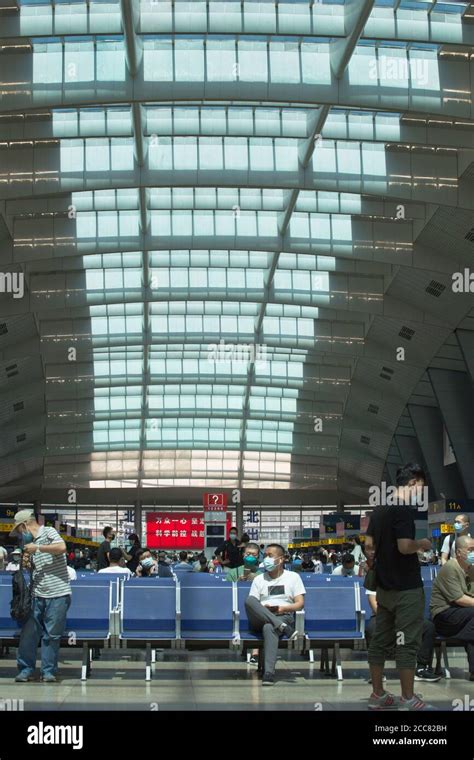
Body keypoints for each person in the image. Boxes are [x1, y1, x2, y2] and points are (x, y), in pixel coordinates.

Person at [364, 463, 435, 710]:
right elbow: (405, 546)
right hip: (406, 588)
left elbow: (368, 546)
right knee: (407, 643)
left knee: (380, 641)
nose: (421, 493)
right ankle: (408, 698)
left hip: (384, 589)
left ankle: (378, 695)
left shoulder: (380, 508)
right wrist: (423, 543)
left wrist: (382, 563)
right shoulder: (402, 510)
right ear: (414, 482)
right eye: (421, 488)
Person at [10, 509, 71, 683]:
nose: (20, 535)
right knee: (29, 633)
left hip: (58, 594)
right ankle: (25, 669)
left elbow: (62, 547)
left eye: (20, 531)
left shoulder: (49, 532)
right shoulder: (28, 545)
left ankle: (48, 671)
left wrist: (37, 547)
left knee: (52, 635)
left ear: (24, 525)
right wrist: (28, 560)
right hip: (37, 594)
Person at [364, 549, 440, 683]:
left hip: (407, 616)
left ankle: (421, 668)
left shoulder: (412, 576)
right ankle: (377, 673)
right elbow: (373, 601)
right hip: (384, 614)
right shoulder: (380, 573)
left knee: (428, 627)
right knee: (372, 629)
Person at [244, 543, 305, 685]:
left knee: (269, 628)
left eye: (270, 556)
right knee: (249, 600)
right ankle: (283, 627)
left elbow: (300, 603)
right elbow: (253, 604)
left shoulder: (293, 577)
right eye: (265, 556)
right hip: (260, 617)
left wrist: (281, 609)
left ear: (281, 559)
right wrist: (265, 609)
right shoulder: (259, 579)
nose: (266, 559)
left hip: (283, 615)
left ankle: (269, 673)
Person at [430, 535, 474, 681]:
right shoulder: (450, 568)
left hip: (464, 615)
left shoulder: (471, 569)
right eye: (471, 550)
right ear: (459, 553)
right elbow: (459, 599)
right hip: (443, 615)